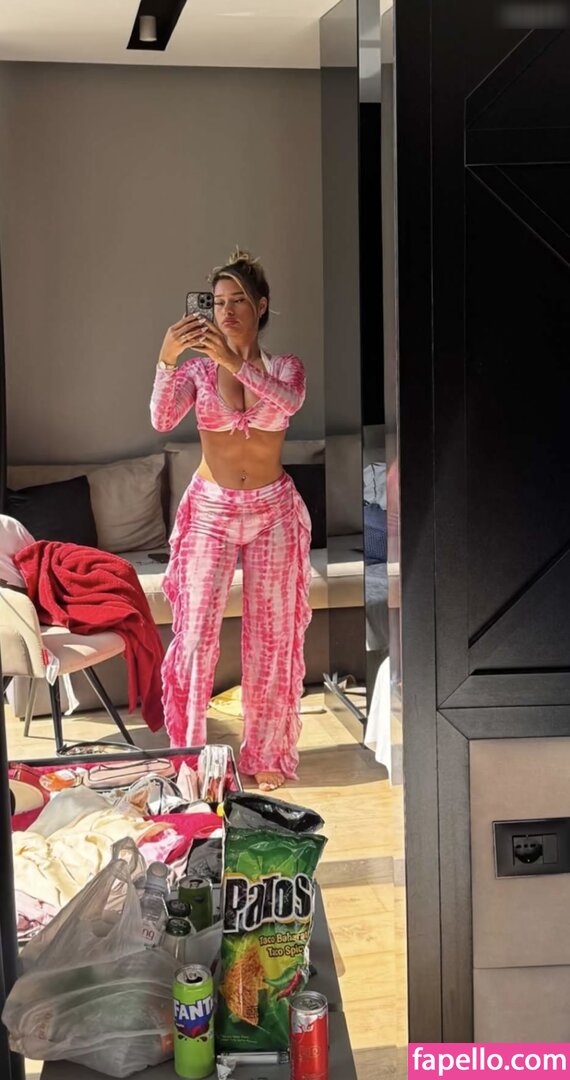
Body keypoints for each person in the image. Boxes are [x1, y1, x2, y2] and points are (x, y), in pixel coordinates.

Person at [150, 249, 312, 791]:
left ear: (260, 305)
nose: (226, 311)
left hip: (273, 513)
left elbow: (287, 404)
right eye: (218, 302)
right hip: (211, 512)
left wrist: (236, 361)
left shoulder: (285, 367)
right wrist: (167, 358)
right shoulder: (197, 370)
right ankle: (190, 759)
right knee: (195, 638)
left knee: (272, 639)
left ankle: (267, 755)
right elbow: (161, 418)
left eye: (238, 300)